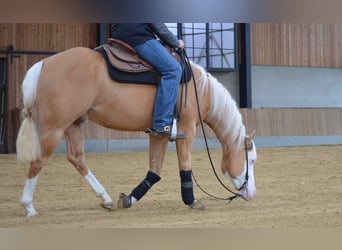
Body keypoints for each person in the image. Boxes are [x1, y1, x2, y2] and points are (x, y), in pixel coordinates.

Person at [111, 23, 186, 139]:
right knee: (174, 70)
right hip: (138, 38)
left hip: (117, 37)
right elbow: (158, 24)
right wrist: (176, 42)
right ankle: (162, 124)